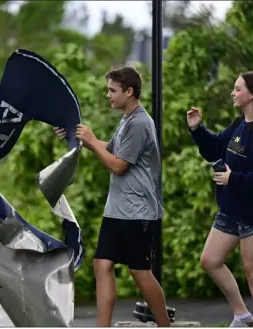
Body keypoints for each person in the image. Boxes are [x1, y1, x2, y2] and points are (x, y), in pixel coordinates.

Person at [54, 66, 171, 327]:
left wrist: (93, 141)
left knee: (140, 273)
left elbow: (118, 164)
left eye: (112, 90)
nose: (108, 95)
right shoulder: (127, 120)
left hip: (137, 211)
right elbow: (111, 149)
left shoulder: (140, 122)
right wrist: (79, 136)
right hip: (117, 210)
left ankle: (165, 325)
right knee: (102, 265)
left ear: (129, 92)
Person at [186, 71, 253, 327]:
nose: (233, 92)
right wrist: (197, 129)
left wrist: (234, 179)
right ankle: (242, 315)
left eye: (237, 88)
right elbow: (215, 149)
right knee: (210, 260)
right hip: (231, 209)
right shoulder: (239, 124)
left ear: (252, 94)